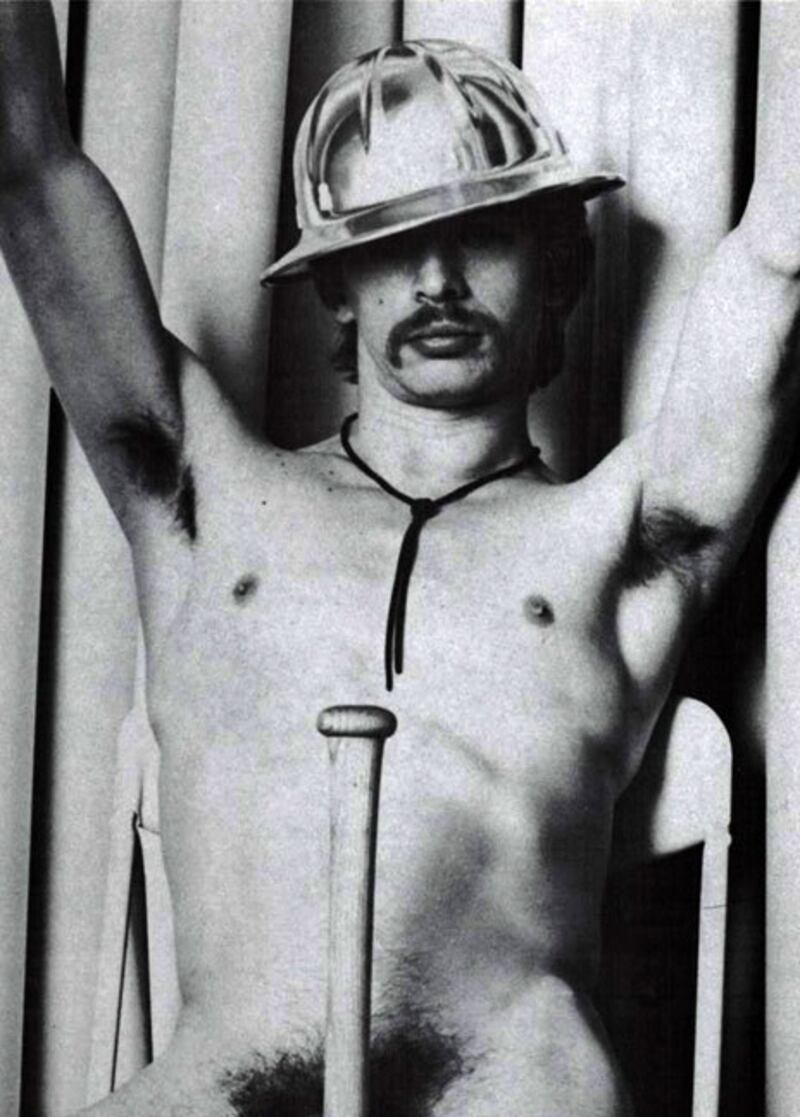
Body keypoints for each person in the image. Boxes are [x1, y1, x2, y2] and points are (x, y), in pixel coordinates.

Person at [2, 8, 798, 1117]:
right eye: (386, 243)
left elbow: (781, 257)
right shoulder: (206, 499)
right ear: (334, 283)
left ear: (556, 265)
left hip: (514, 1093)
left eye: (485, 234)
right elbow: (29, 169)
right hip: (219, 1088)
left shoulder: (612, 543)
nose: (435, 279)